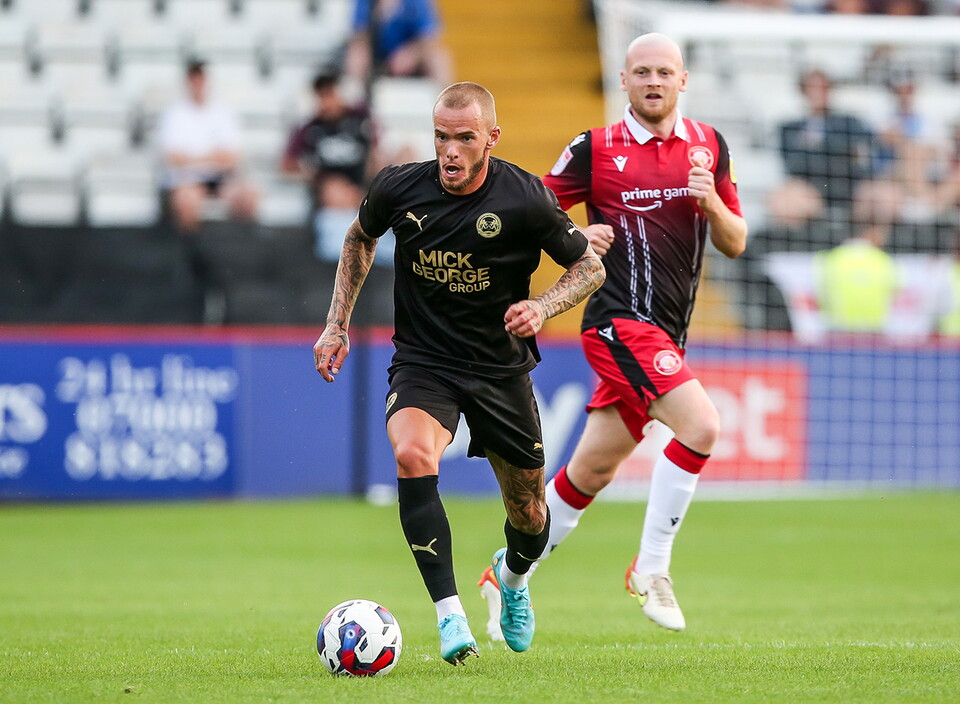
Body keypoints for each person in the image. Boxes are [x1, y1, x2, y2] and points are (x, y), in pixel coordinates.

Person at [312, 82, 604, 665]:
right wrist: (336, 324)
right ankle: (450, 617)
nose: (450, 151)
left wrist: (542, 307)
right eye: (442, 137)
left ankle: (513, 580)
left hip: (500, 371)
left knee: (530, 514)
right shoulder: (399, 187)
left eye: (465, 138)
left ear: (491, 138)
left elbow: (589, 266)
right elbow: (358, 239)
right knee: (413, 456)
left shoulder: (525, 197)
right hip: (425, 364)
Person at [478, 33, 748, 637]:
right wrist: (575, 240)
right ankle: (651, 570)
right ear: (623, 82)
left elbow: (735, 242)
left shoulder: (709, 146)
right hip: (616, 323)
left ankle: (508, 576)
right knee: (702, 426)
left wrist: (712, 206)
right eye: (641, 72)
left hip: (668, 335)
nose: (653, 81)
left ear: (683, 81)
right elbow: (532, 213)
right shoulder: (595, 149)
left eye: (665, 72)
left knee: (587, 477)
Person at [281, 69, 379, 262]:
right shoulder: (311, 128)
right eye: (322, 96)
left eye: (330, 94)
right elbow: (287, 163)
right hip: (329, 190)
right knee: (334, 190)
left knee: (405, 157)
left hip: (360, 185)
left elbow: (375, 154)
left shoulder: (360, 120)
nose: (327, 102)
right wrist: (313, 175)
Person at [157, 59, 259, 233]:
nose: (198, 83)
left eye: (201, 77)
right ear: (188, 81)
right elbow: (174, 158)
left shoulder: (223, 111)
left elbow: (232, 157)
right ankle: (190, 251)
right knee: (187, 201)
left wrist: (194, 158)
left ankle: (241, 249)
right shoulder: (174, 113)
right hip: (186, 180)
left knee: (249, 196)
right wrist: (213, 157)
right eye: (194, 78)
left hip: (219, 179)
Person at [777, 68, 876, 215]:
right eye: (812, 88)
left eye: (822, 88)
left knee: (880, 197)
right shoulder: (790, 128)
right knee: (786, 200)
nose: (817, 93)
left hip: (849, 188)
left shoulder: (849, 122)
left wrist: (816, 149)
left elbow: (861, 156)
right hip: (809, 190)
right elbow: (793, 165)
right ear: (804, 92)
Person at [344, 0, 453, 89]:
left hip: (410, 57)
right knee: (356, 51)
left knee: (438, 56)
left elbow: (429, 36)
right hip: (376, 56)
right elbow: (359, 34)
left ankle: (445, 99)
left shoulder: (418, 3)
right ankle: (354, 98)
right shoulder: (365, 3)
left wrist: (411, 53)